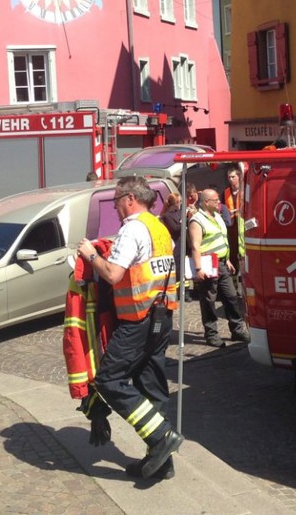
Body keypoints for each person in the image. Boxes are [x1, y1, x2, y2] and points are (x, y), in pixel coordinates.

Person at [76, 176, 182, 479]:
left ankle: (160, 437)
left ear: (129, 199)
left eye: (116, 201)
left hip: (137, 318)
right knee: (152, 385)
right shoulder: (158, 227)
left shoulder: (133, 229)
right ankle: (163, 463)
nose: (116, 207)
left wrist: (91, 254)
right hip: (161, 317)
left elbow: (112, 273)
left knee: (109, 379)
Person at [188, 187, 250, 348]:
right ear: (206, 202)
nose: (219, 203)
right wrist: (198, 268)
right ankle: (211, 334)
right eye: (216, 200)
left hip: (222, 263)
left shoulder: (217, 216)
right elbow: (195, 246)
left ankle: (236, 330)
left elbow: (223, 238)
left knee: (231, 297)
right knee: (209, 300)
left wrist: (227, 259)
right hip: (208, 265)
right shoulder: (197, 220)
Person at [223, 164, 245, 276]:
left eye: (233, 177)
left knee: (243, 249)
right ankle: (234, 273)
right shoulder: (226, 192)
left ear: (239, 176)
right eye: (229, 177)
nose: (231, 179)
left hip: (242, 223)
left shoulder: (244, 189)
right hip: (231, 224)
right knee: (232, 250)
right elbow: (222, 207)